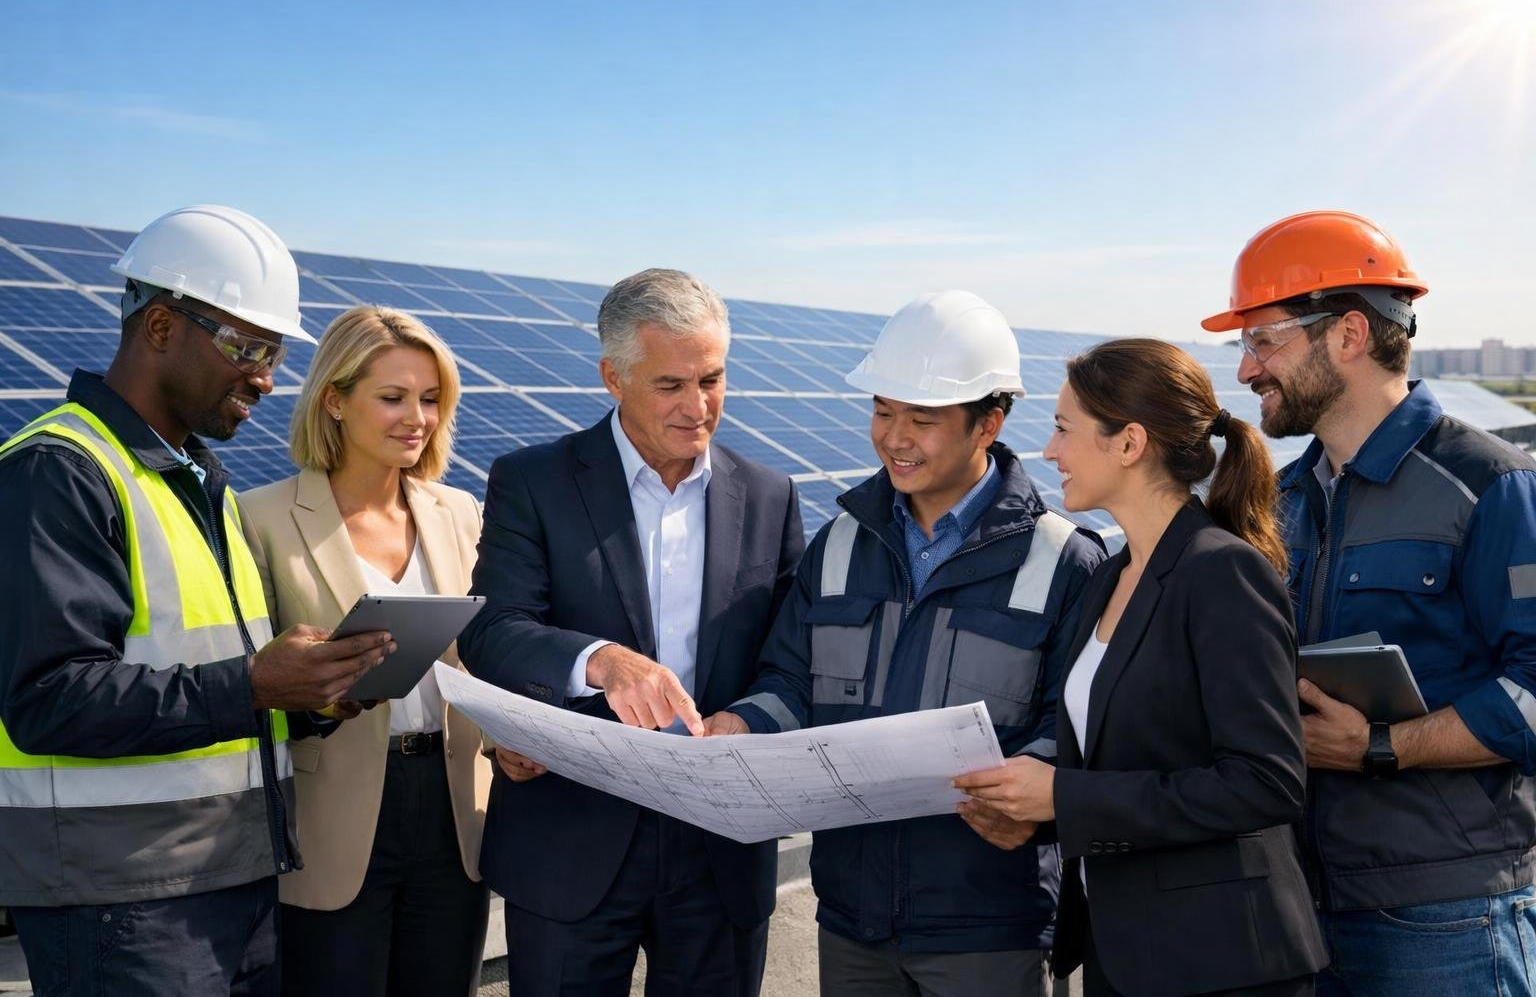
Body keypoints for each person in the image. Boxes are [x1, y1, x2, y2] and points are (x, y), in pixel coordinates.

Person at [0, 205, 393, 996]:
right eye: (246, 346)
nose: (268, 377)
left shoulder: (198, 483)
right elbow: (46, 699)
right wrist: (253, 685)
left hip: (228, 884)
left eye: (276, 352)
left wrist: (308, 695)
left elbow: (206, 672)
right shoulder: (60, 472)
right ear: (158, 327)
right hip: (118, 902)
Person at [705, 290, 1105, 997]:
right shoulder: (838, 546)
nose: (894, 437)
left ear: (990, 422)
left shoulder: (1064, 562)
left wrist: (1032, 805)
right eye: (883, 412)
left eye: (922, 419)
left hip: (990, 925)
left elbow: (1076, 729)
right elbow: (792, 682)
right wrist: (742, 723)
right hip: (852, 920)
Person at [1201, 210, 1536, 997]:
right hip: (1300, 905)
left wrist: (1388, 746)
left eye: (1264, 340)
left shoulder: (1490, 486)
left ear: (1348, 335)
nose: (1247, 371)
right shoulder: (1283, 501)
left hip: (1444, 916)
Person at [457, 268, 805, 997]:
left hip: (721, 848)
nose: (698, 406)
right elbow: (494, 630)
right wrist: (601, 662)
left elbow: (794, 656)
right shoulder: (534, 481)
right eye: (670, 385)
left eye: (711, 379)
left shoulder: (770, 497)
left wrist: (747, 718)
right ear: (613, 377)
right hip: (570, 836)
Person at [955, 338, 1328, 996]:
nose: (1049, 451)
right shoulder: (1111, 577)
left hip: (1222, 963)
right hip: (1125, 953)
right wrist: (1035, 812)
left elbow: (1265, 782)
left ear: (1129, 444)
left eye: (1064, 429)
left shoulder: (1222, 572)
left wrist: (1063, 796)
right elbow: (1129, 762)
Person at [239, 306, 492, 996]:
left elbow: (487, 662)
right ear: (335, 399)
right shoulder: (259, 518)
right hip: (330, 814)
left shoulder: (463, 513)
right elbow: (251, 682)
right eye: (393, 397)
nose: (418, 417)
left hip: (454, 809)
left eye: (432, 399)